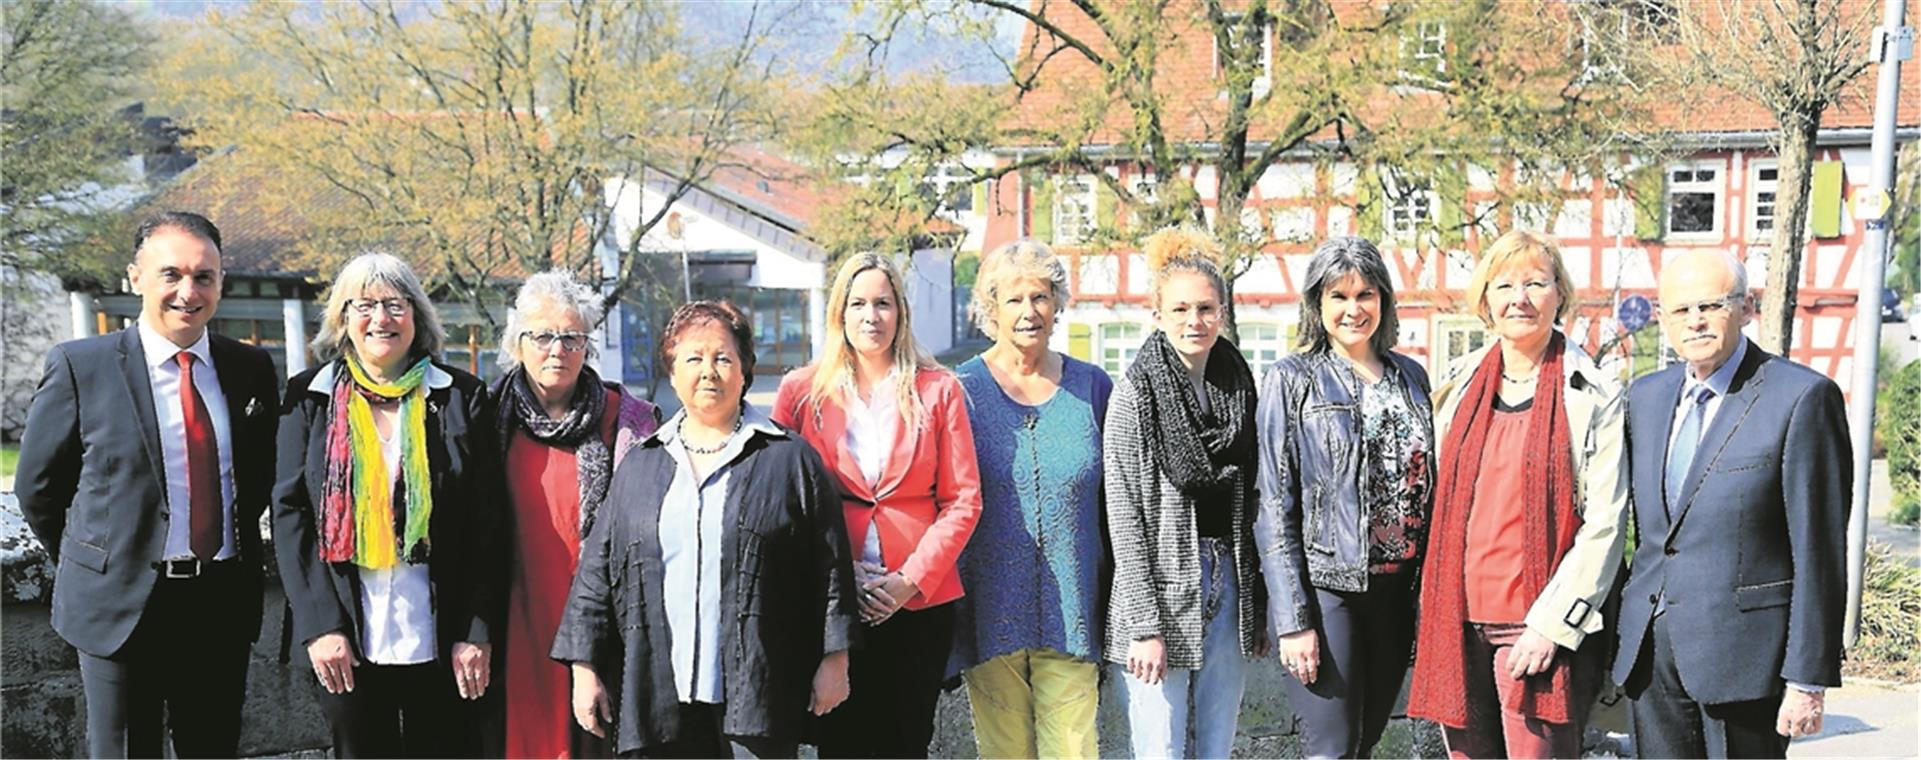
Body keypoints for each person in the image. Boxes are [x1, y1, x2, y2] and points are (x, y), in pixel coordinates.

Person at [14, 212, 281, 758]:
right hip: (122, 608)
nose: (189, 291)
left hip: (219, 604)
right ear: (135, 278)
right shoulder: (79, 367)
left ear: (221, 282)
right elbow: (38, 489)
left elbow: (255, 482)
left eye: (204, 276)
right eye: (172, 274)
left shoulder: (249, 368)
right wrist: (100, 559)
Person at [552, 301, 859, 758]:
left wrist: (836, 658)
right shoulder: (642, 464)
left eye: (723, 358)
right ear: (672, 372)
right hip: (659, 698)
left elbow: (831, 566)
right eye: (693, 358)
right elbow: (597, 572)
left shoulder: (790, 460)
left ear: (744, 370)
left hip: (757, 692)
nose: (708, 371)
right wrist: (584, 667)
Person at [1611, 249, 1850, 758]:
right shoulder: (1645, 398)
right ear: (1662, 318)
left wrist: (1807, 679)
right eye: (1680, 310)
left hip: (1746, 663)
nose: (1695, 321)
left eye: (1711, 306)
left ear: (1746, 307)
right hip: (1651, 658)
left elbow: (1820, 552)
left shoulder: (1801, 397)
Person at [272, 253, 505, 758]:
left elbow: (489, 524)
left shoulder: (462, 398)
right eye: (365, 305)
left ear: (417, 316)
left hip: (443, 639)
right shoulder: (307, 399)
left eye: (395, 305)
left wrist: (476, 629)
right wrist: (320, 627)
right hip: (347, 639)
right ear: (342, 319)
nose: (380, 319)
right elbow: (291, 517)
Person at [1407, 230, 1629, 759]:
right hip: (1456, 622)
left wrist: (1552, 627)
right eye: (1504, 285)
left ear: (1560, 295)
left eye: (1535, 283)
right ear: (1485, 301)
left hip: (1535, 627)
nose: (1519, 298)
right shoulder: (1457, 386)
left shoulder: (1594, 393)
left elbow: (1605, 523)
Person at [772, 253, 983, 758]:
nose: (872, 316)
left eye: (883, 303)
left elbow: (963, 499)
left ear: (901, 313)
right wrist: (843, 573)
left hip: (917, 601)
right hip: (832, 601)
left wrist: (909, 579)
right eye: (859, 303)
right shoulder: (801, 391)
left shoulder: (939, 389)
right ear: (839, 313)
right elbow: (780, 499)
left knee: (906, 741)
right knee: (839, 741)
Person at [1255, 236, 1434, 759]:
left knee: (1366, 740)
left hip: (1396, 590)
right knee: (1329, 748)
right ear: (1317, 304)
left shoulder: (1411, 377)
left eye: (1365, 294)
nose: (1354, 309)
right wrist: (1293, 620)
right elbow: (1272, 504)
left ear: (1383, 300)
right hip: (1326, 588)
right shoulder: (1292, 379)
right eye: (1339, 296)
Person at [1104, 228, 1265, 760]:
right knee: (1162, 748)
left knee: (1216, 747)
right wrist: (1146, 627)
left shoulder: (1239, 386)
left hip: (1227, 579)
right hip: (1159, 587)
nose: (1194, 321)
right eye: (1179, 310)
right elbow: (1124, 519)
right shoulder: (1135, 394)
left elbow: (1254, 500)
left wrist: (1255, 606)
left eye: (1205, 308)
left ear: (1222, 311)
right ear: (1157, 314)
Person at [950, 240, 1113, 759]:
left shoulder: (1093, 387)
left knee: (1074, 750)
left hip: (1075, 610)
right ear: (990, 308)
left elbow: (1118, 502)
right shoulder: (961, 390)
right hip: (989, 611)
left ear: (1058, 304)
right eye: (1015, 300)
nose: (1029, 312)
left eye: (1041, 297)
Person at [492, 271, 661, 758]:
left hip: (603, 624)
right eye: (543, 336)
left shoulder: (630, 421)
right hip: (517, 623)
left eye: (572, 337)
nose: (557, 349)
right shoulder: (486, 418)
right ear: (517, 342)